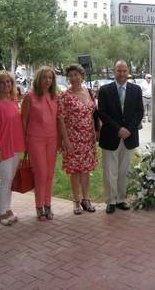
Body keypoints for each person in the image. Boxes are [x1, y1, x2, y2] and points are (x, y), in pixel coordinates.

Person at [98, 60, 144, 214]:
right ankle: (110, 201)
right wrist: (119, 129)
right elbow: (102, 113)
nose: (122, 73)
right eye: (119, 70)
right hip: (111, 136)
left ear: (128, 71)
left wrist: (128, 130)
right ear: (114, 72)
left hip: (129, 137)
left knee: (123, 171)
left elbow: (139, 112)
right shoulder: (104, 90)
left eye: (124, 70)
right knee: (110, 171)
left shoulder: (136, 89)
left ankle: (121, 199)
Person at [58, 64, 98, 215]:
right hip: (73, 138)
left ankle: (86, 199)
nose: (74, 78)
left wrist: (96, 131)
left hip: (88, 138)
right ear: (68, 78)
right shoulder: (65, 96)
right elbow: (60, 120)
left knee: (86, 170)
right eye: (71, 75)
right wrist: (65, 140)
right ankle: (76, 201)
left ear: (82, 76)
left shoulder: (88, 92)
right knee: (75, 170)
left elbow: (93, 113)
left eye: (77, 75)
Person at [21, 66, 59, 221]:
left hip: (52, 139)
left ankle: (48, 204)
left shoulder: (55, 96)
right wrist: (24, 142)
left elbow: (58, 119)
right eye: (44, 77)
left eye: (50, 78)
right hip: (35, 139)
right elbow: (23, 120)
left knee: (49, 173)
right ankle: (39, 206)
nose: (47, 81)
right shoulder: (30, 96)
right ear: (38, 79)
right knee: (41, 173)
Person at [0, 71, 25, 226]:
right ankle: (1, 212)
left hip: (15, 146)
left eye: (9, 82)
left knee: (10, 180)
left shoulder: (12, 102)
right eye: (3, 82)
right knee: (4, 180)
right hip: (3, 147)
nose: (6, 85)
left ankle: (7, 208)